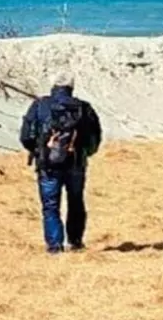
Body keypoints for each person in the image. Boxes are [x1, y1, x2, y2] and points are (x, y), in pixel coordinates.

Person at [19, 73, 103, 254]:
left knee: (50, 205)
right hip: (76, 164)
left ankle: (55, 246)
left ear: (52, 85)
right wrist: (84, 154)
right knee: (76, 201)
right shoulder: (84, 108)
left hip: (48, 164)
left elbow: (26, 136)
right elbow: (94, 137)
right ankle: (76, 242)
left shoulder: (40, 105)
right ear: (71, 87)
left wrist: (39, 150)